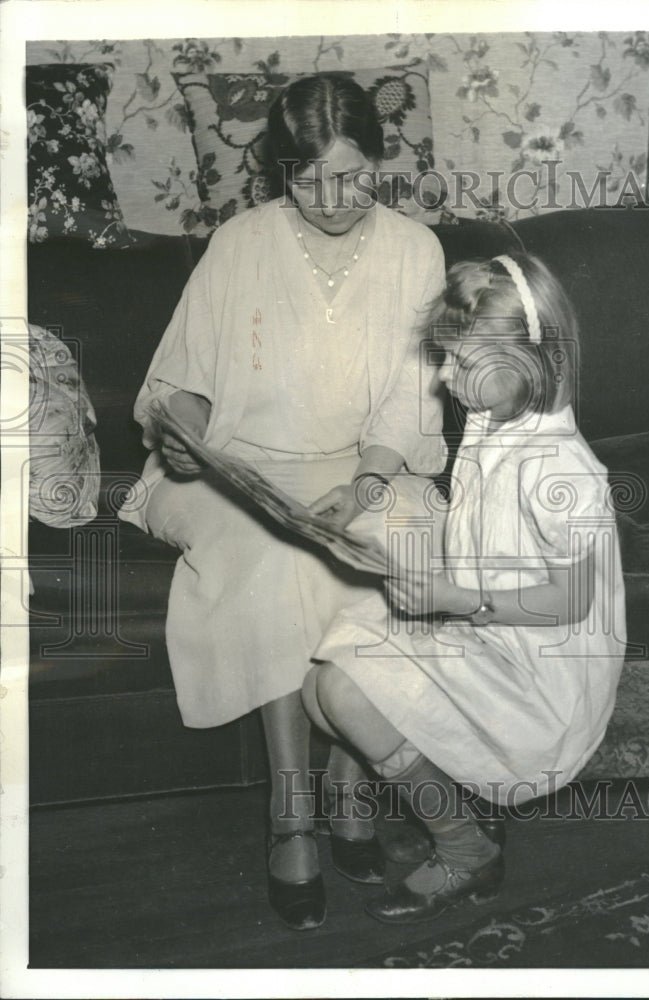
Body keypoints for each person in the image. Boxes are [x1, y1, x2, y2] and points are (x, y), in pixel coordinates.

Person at [119, 75, 446, 930]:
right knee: (275, 559)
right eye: (307, 179)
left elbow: (412, 404)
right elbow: (180, 388)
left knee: (384, 546)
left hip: (367, 464)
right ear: (278, 171)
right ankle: (291, 811)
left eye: (351, 176)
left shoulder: (416, 250)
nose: (332, 200)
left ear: (380, 160)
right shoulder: (238, 244)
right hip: (242, 470)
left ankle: (349, 788)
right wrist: (181, 434)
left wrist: (366, 483)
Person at [302, 252, 627, 923]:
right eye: (444, 356)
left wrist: (454, 601)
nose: (444, 376)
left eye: (461, 360)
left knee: (341, 689)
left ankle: (464, 847)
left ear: (529, 358)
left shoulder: (561, 471)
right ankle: (439, 798)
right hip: (490, 632)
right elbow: (485, 544)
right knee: (320, 678)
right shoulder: (489, 422)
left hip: (545, 682)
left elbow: (569, 602)